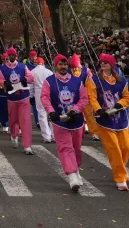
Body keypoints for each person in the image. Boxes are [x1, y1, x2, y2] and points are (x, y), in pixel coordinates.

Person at [41, 54, 89, 192]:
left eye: (65, 64)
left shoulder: (77, 81)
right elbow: (44, 97)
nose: (63, 67)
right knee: (65, 148)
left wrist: (76, 109)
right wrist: (51, 111)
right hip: (60, 121)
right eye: (60, 64)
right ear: (56, 65)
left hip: (76, 121)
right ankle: (72, 175)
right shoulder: (49, 81)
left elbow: (84, 99)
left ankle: (76, 169)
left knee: (76, 148)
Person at [86, 54, 129, 191]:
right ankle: (120, 178)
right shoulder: (93, 80)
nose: (103, 64)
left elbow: (127, 97)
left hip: (121, 119)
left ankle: (121, 169)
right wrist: (98, 110)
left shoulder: (121, 81)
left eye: (106, 62)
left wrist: (120, 105)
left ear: (112, 64)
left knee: (127, 147)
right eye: (101, 62)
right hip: (105, 120)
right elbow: (92, 98)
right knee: (114, 149)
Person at [0, 47, 34, 154]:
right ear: (8, 56)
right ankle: (14, 135)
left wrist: (26, 79)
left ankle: (27, 146)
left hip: (23, 97)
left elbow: (31, 77)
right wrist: (4, 83)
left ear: (16, 55)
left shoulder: (22, 66)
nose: (12, 57)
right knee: (13, 120)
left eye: (14, 55)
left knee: (25, 121)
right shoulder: (3, 69)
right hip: (12, 98)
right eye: (10, 55)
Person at [31, 56, 55, 143]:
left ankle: (46, 136)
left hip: (38, 92)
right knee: (51, 113)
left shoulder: (33, 72)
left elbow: (30, 85)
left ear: (35, 63)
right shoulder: (49, 72)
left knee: (42, 114)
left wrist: (31, 95)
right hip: (49, 92)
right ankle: (54, 135)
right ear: (43, 63)